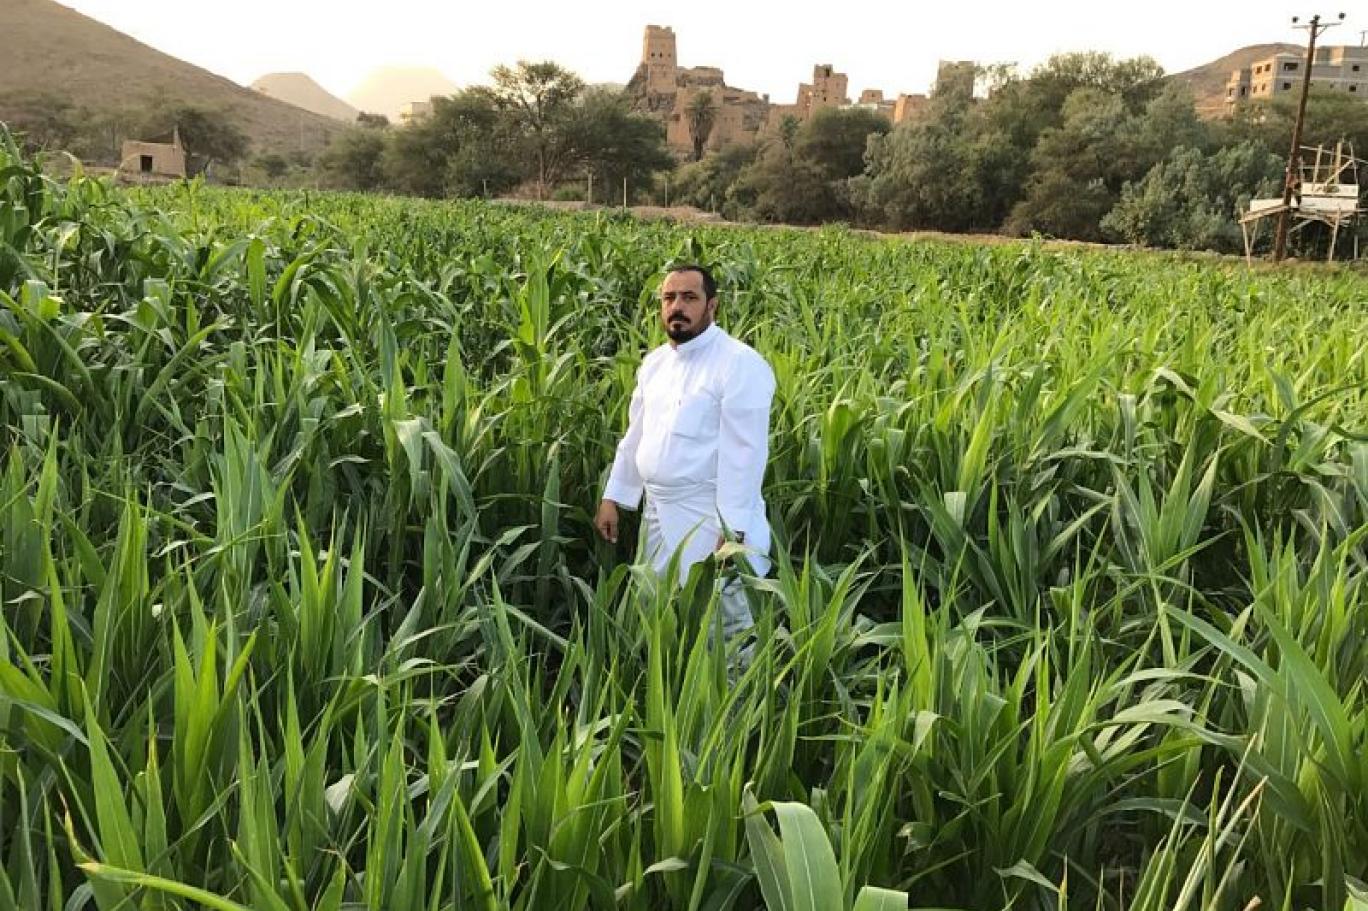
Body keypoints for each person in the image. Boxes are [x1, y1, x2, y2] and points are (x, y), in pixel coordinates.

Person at [594, 264, 775, 643]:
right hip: (658, 513)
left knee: (723, 620)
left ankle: (736, 683)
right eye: (669, 298)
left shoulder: (739, 364)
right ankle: (666, 677)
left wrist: (733, 531)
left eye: (689, 297)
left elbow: (745, 455)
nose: (677, 306)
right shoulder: (655, 364)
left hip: (709, 515)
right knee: (656, 610)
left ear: (712, 305)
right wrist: (614, 496)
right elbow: (636, 435)